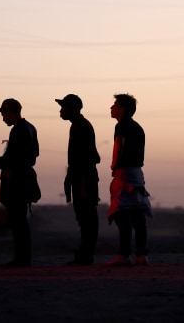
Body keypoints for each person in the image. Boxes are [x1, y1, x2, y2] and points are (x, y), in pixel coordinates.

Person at [0, 98, 41, 268]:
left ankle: (22, 257)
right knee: (20, 220)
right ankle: (23, 256)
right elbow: (32, 156)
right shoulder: (30, 128)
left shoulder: (19, 130)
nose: (2, 117)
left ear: (8, 112)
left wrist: (3, 163)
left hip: (17, 182)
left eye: (3, 114)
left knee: (17, 221)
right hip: (23, 179)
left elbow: (18, 157)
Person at [105, 93, 152, 266]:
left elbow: (119, 146)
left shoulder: (122, 126)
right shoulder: (138, 127)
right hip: (137, 174)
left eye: (115, 105)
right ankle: (142, 254)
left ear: (122, 109)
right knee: (138, 214)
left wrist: (114, 165)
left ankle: (124, 254)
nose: (111, 108)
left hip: (124, 173)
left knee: (120, 212)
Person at [55, 94, 101, 266]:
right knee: (84, 215)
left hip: (83, 177)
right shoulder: (79, 125)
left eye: (63, 107)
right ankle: (85, 253)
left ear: (72, 109)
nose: (61, 110)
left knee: (86, 214)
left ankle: (86, 254)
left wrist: (75, 177)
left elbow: (83, 158)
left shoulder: (80, 126)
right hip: (82, 175)